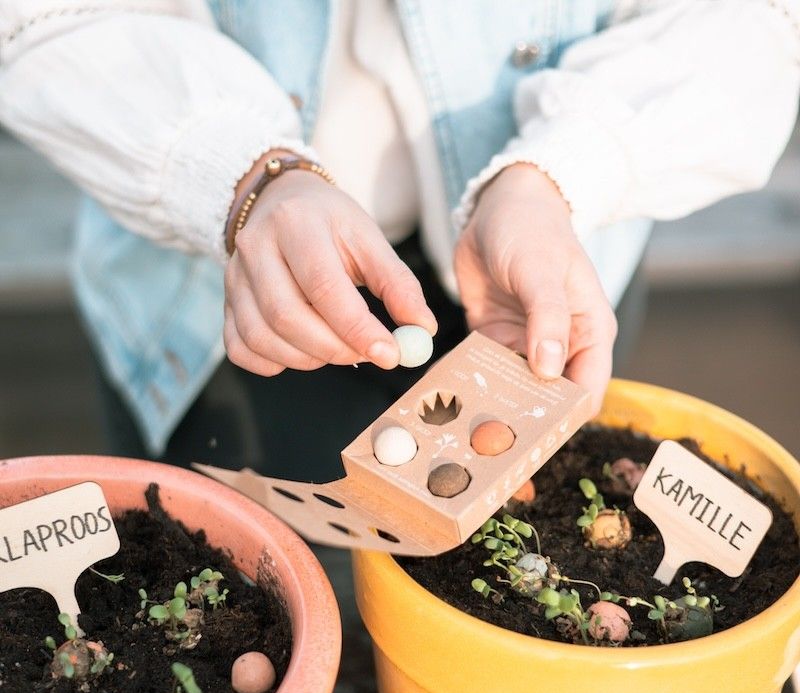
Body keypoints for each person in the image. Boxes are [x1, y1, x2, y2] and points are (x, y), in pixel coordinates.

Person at [0, 0, 798, 482]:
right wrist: (239, 175)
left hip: (545, 253)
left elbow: (750, 18)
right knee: (267, 581)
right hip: (233, 279)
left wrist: (559, 173)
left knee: (509, 535)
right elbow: (51, 18)